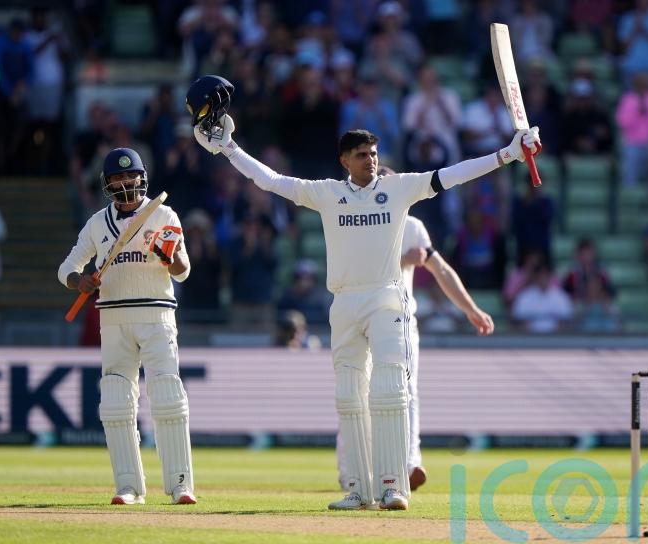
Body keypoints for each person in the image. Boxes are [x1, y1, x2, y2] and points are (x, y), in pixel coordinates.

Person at [191, 82, 539, 510]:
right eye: (361, 155)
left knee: (390, 390)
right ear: (344, 161)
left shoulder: (398, 189)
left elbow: (454, 173)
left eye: (374, 154)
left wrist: (507, 154)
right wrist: (229, 148)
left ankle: (393, 485)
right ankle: (358, 488)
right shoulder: (327, 194)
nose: (371, 161)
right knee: (349, 395)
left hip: (387, 299)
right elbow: (271, 181)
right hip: (345, 301)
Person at [57, 147, 196, 506]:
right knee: (117, 403)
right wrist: (80, 282)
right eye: (117, 177)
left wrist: (173, 257)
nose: (125, 182)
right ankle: (129, 486)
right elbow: (67, 268)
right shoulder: (96, 224)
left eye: (130, 176)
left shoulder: (163, 214)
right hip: (114, 320)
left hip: (157, 317)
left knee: (167, 397)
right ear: (107, 183)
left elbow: (183, 271)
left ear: (141, 177)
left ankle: (181, 484)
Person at [336, 208, 495, 493]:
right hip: (359, 316)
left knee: (407, 391)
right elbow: (351, 269)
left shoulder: (411, 226)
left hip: (400, 319)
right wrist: (402, 260)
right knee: (357, 390)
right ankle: (350, 470)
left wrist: (470, 309)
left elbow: (441, 269)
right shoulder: (355, 218)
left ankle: (409, 464)